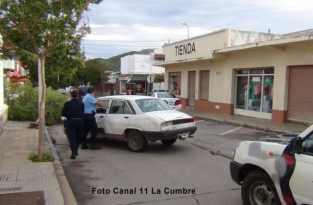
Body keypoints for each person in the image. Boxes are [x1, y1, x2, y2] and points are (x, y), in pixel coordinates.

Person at [62, 89, 84, 159]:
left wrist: (65, 125)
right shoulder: (81, 104)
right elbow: (82, 113)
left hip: (70, 122)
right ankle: (75, 150)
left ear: (71, 95)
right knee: (79, 137)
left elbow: (63, 115)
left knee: (72, 138)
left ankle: (73, 152)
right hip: (80, 122)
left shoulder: (67, 104)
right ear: (77, 95)